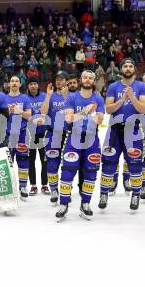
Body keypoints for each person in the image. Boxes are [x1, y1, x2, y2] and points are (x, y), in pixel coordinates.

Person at [98, 58, 145, 211]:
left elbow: (143, 109)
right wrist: (122, 99)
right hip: (114, 131)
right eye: (125, 66)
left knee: (135, 165)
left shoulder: (141, 86)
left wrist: (132, 96)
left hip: (133, 130)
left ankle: (135, 194)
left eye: (130, 66)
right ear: (121, 69)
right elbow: (109, 109)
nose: (127, 68)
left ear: (134, 69)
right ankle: (104, 193)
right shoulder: (113, 86)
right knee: (108, 163)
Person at [56, 70, 105, 220]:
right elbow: (69, 118)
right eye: (85, 77)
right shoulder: (72, 97)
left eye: (91, 78)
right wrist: (85, 112)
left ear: (94, 81)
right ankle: (64, 204)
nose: (87, 80)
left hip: (92, 139)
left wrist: (93, 114)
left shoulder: (98, 98)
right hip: (74, 138)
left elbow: (100, 120)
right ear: (81, 79)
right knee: (67, 172)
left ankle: (85, 203)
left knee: (91, 172)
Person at [40, 70, 69, 204]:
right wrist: (48, 95)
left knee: (69, 163)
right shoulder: (50, 96)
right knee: (52, 163)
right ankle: (53, 189)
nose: (59, 81)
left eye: (62, 79)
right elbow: (43, 113)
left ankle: (65, 189)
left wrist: (65, 97)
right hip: (52, 133)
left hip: (68, 134)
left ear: (66, 81)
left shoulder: (72, 95)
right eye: (57, 79)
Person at [5, 75, 32, 200]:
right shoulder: (3, 98)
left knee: (23, 161)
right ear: (8, 84)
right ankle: (8, 187)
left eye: (16, 81)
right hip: (6, 135)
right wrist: (9, 111)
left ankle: (22, 186)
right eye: (12, 81)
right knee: (7, 162)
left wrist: (19, 111)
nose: (14, 83)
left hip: (22, 133)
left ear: (20, 84)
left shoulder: (25, 98)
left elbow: (29, 116)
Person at [26, 77, 48, 196]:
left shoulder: (44, 96)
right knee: (31, 161)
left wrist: (44, 119)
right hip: (30, 134)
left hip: (43, 133)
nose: (33, 86)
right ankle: (33, 185)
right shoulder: (25, 98)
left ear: (38, 85)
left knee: (44, 160)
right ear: (28, 86)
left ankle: (45, 185)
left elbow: (49, 111)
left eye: (35, 83)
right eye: (31, 84)